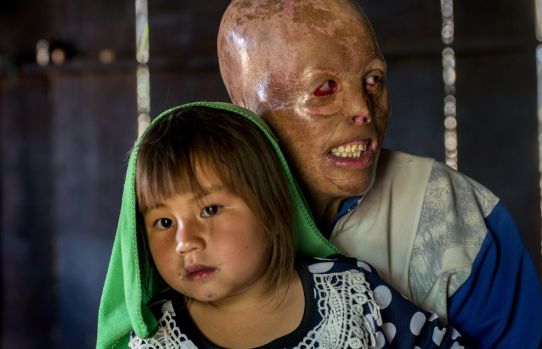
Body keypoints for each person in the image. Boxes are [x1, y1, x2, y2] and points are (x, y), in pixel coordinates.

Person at [217, 1, 542, 348]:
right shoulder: (197, 224)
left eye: (373, 79)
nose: (363, 108)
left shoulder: (454, 216)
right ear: (247, 109)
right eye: (325, 88)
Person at [96, 102, 470, 348]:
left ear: (271, 211)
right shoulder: (157, 340)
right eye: (163, 221)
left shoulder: (354, 292)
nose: (185, 241)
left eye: (209, 210)